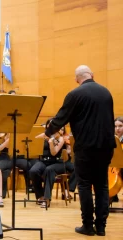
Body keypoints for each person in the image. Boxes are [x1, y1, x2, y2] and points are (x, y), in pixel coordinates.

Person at [44, 65, 116, 236]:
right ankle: (101, 226)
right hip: (106, 147)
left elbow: (61, 118)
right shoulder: (106, 93)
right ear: (92, 75)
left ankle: (88, 226)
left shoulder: (75, 94)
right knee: (102, 186)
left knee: (84, 185)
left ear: (77, 79)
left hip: (86, 147)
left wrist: (48, 132)